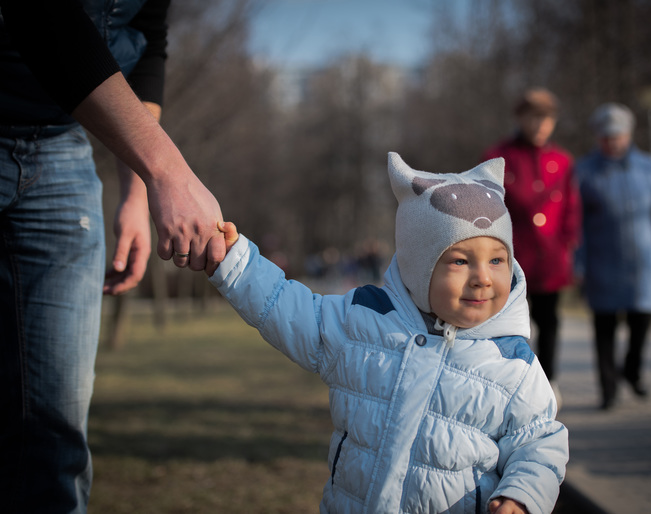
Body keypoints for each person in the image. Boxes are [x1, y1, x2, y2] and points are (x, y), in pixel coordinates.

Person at [207, 153, 568, 514]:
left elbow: (539, 442)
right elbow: (284, 307)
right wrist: (235, 262)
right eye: (460, 260)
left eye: (496, 259)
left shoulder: (514, 365)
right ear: (418, 268)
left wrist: (521, 497)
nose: (483, 277)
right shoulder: (364, 321)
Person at [1, 1, 226, 512]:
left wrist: (136, 191)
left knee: (55, 432)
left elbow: (147, 38)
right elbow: (42, 16)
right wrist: (167, 171)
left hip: (60, 149)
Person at [574, 103, 651, 411]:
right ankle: (608, 390)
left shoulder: (650, 168)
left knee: (643, 318)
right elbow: (577, 223)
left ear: (628, 135)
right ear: (597, 138)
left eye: (617, 136)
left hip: (644, 262)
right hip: (602, 262)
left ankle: (633, 369)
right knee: (604, 328)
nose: (612, 142)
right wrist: (578, 262)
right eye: (605, 137)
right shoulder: (584, 172)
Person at [482, 88, 581, 405]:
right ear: (520, 118)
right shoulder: (499, 157)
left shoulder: (562, 161)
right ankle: (508, 382)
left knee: (550, 320)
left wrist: (568, 241)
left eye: (547, 118)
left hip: (550, 257)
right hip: (512, 257)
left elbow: (571, 207)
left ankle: (549, 380)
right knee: (509, 320)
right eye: (533, 117)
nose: (540, 125)